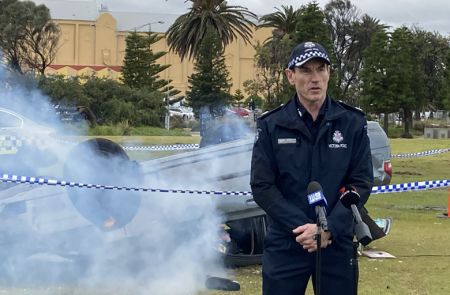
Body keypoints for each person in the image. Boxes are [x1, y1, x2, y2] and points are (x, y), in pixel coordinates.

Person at [250, 41, 374, 295]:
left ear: (329, 72)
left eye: (321, 69)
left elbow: (361, 182)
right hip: (287, 241)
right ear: (290, 75)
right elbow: (262, 186)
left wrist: (327, 229)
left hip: (335, 243)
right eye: (305, 70)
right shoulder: (272, 125)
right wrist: (305, 229)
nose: (314, 78)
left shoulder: (351, 122)